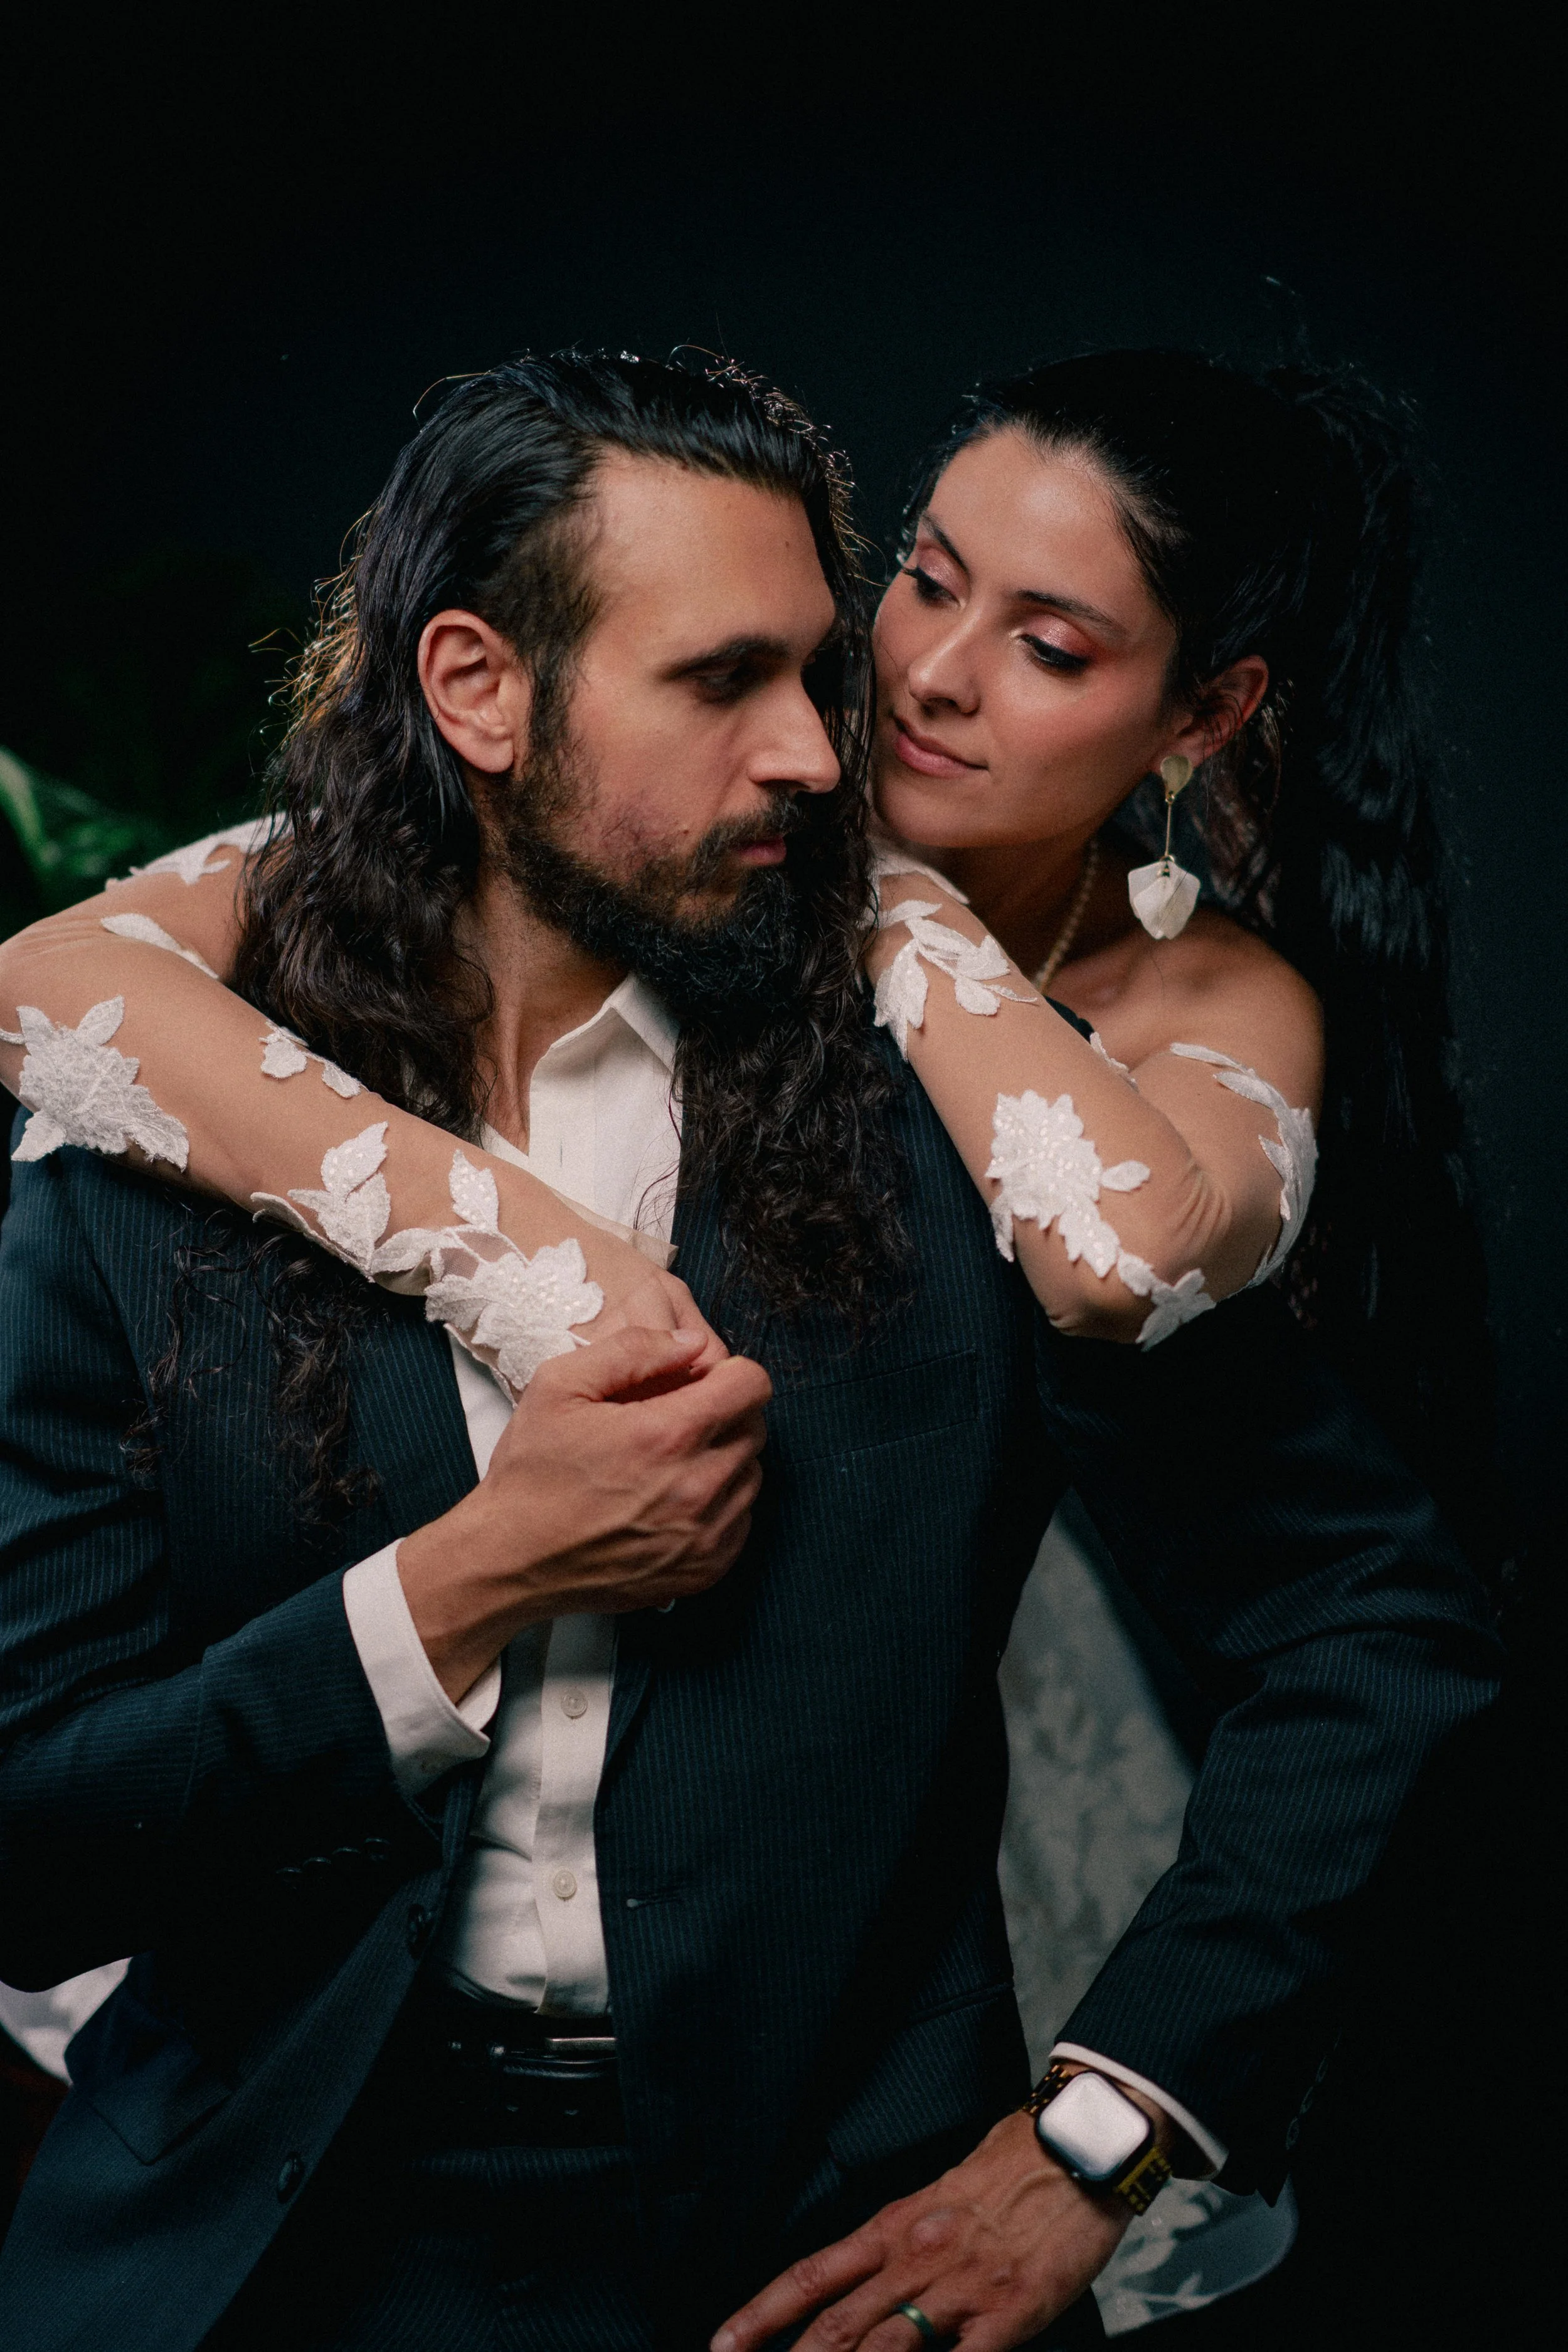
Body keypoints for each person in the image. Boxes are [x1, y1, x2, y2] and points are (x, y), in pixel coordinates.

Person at [0, 352, 1498, 2352]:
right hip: (254, 2248)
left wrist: (1107, 2133)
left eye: (814, 668)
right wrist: (465, 1582)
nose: (843, 733)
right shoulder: (165, 1140)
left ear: (1198, 710)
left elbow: (1366, 1628)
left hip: (816, 2249)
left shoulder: (976, 1126)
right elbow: (28, 1841)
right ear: (476, 689)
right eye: (731, 678)